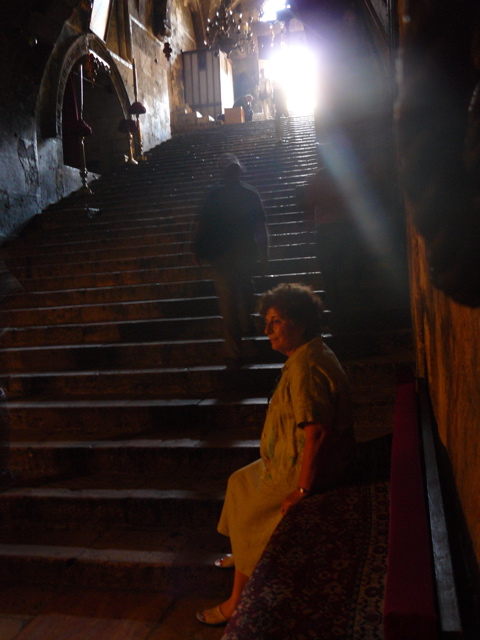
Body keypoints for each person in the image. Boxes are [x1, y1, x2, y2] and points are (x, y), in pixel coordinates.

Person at [196, 282, 356, 626]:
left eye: (277, 321)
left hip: (307, 469)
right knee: (239, 481)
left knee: (254, 510)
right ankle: (242, 550)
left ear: (300, 322)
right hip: (286, 458)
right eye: (267, 321)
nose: (267, 329)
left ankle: (238, 600)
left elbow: (317, 433)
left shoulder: (306, 368)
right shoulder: (308, 354)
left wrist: (302, 489)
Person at [191, 154, 268, 368]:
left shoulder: (213, 196)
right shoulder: (250, 194)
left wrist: (195, 249)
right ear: (239, 172)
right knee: (245, 298)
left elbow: (201, 224)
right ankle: (248, 339)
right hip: (243, 255)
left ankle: (234, 352)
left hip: (222, 257)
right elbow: (261, 228)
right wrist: (264, 255)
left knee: (228, 305)